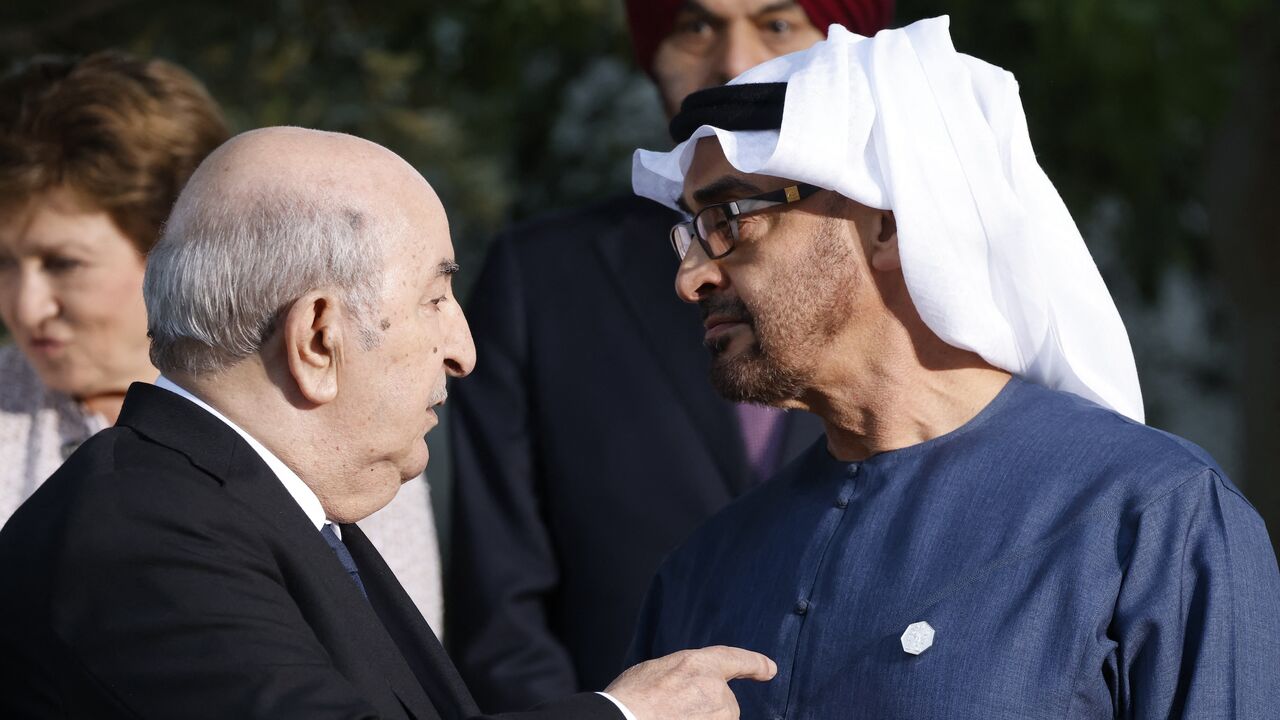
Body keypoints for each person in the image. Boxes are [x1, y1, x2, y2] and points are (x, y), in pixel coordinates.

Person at [0, 126, 778, 720]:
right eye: (436, 299)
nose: (463, 350)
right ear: (317, 339)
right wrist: (627, 715)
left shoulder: (253, 511)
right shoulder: (139, 532)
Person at [626, 17, 1280, 718]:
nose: (690, 277)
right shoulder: (705, 569)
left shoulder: (1151, 519)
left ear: (889, 224)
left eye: (730, 218)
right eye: (690, 231)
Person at [446, 1, 893, 710]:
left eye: (778, 25)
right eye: (696, 27)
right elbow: (500, 608)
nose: (736, 62)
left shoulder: (932, 288)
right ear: (650, 52)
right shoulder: (543, 278)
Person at [0, 53, 445, 631]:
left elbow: (391, 672)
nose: (26, 306)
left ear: (173, 249)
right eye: (5, 263)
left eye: (64, 263)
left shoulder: (332, 422)